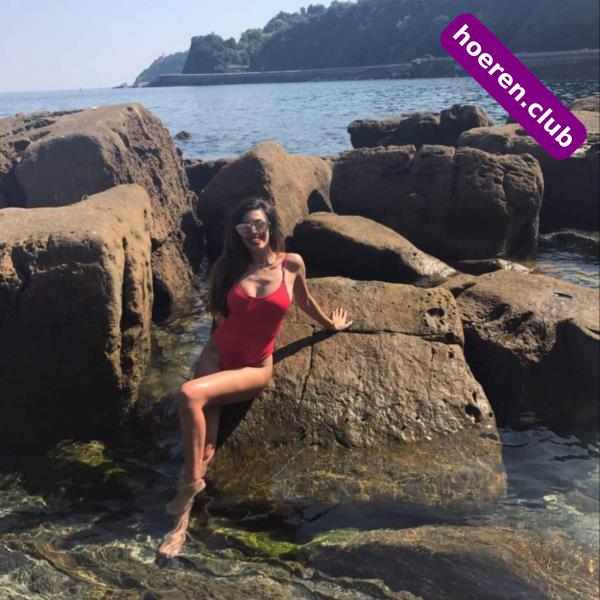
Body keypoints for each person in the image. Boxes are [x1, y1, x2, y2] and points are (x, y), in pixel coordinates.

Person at [157, 196, 353, 558]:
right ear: (237, 232)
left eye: (258, 223)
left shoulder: (292, 264)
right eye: (244, 226)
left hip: (253, 368)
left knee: (189, 395)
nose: (252, 231)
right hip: (216, 356)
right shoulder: (229, 266)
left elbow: (305, 301)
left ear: (271, 225)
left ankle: (187, 489)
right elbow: (220, 316)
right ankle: (179, 527)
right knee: (204, 449)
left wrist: (330, 325)